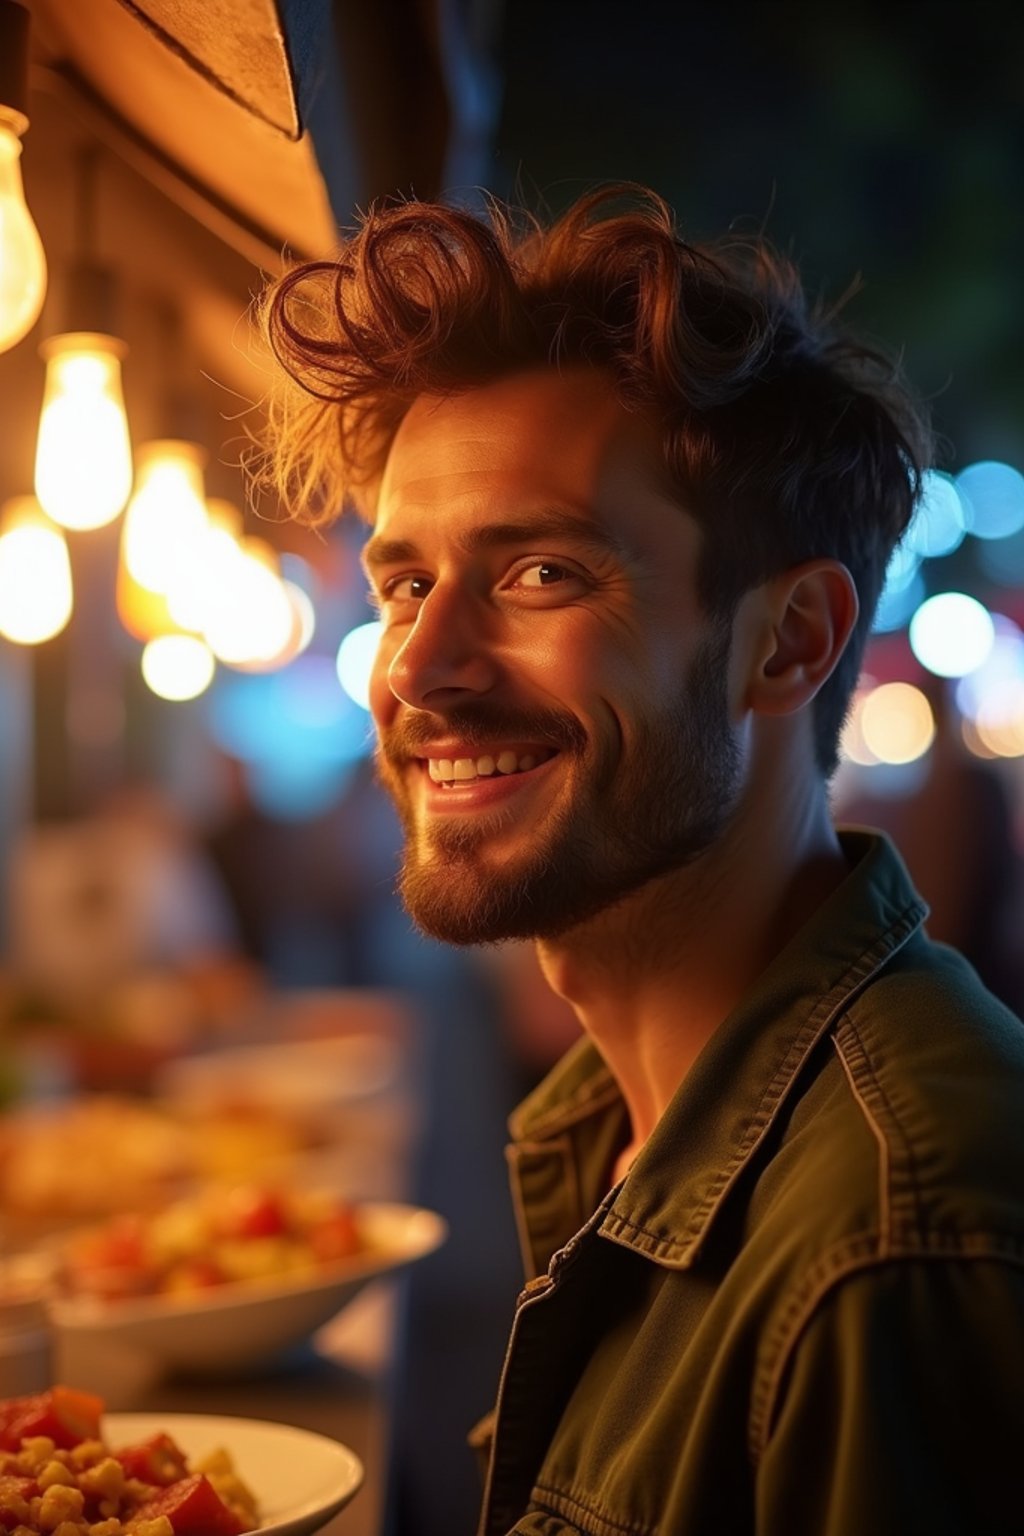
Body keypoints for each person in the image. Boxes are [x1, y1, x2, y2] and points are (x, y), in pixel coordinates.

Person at [257, 187, 1024, 1535]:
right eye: (405, 584)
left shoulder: (896, 1247)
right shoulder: (627, 1122)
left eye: (543, 572)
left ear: (788, 642)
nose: (417, 670)